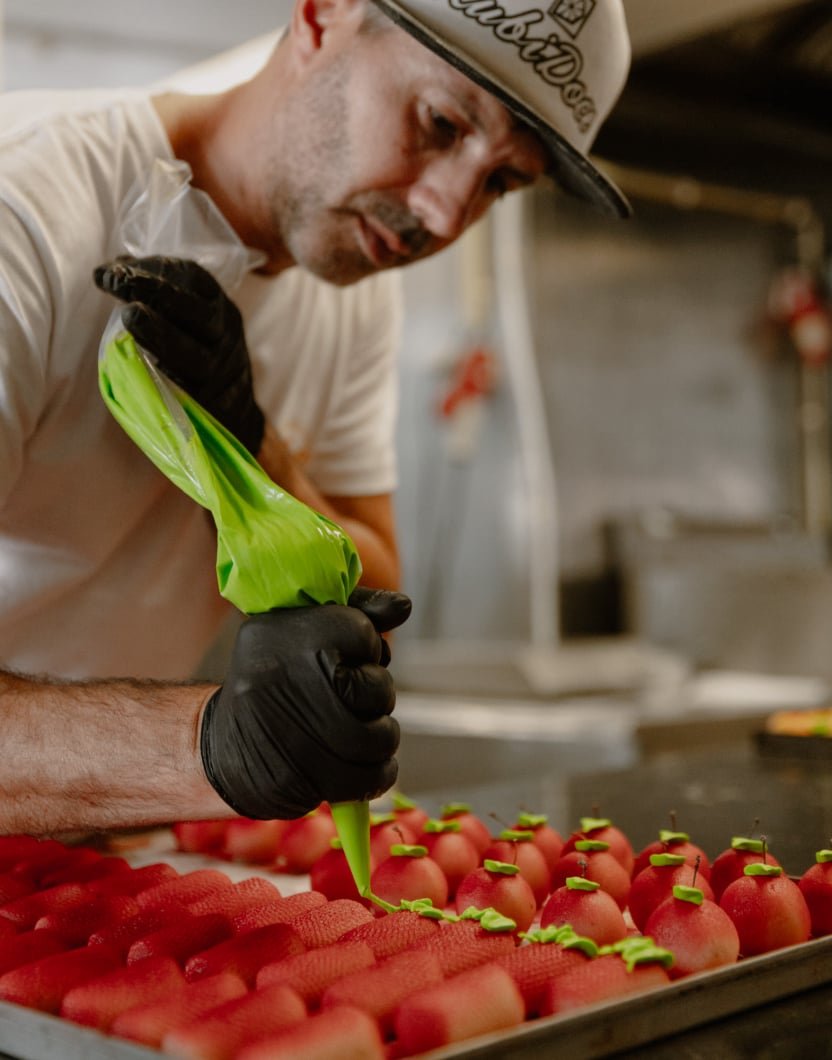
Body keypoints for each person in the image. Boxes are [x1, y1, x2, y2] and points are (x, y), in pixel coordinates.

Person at [0, 0, 631, 835]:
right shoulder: (28, 218)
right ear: (321, 15)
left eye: (501, 182)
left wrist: (254, 446)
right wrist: (207, 746)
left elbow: (375, 594)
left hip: (90, 837)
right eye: (441, 122)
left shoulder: (353, 282)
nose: (445, 216)